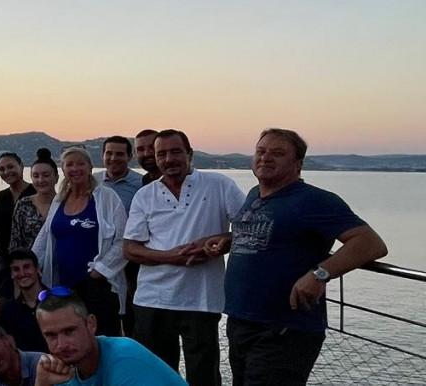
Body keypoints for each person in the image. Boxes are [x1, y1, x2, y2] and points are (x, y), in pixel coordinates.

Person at [219, 128, 387, 386]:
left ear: (298, 164)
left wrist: (319, 274)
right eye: (261, 151)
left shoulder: (314, 201)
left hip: (284, 329)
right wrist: (226, 240)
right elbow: (264, 236)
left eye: (277, 153)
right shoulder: (255, 194)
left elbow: (370, 243)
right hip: (242, 320)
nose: (265, 158)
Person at [122, 129, 243, 386]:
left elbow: (248, 229)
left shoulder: (219, 185)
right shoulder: (145, 195)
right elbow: (130, 248)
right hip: (153, 299)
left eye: (175, 151)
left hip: (200, 300)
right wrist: (170, 256)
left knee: (204, 375)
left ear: (190, 153)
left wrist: (223, 241)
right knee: (155, 377)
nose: (168, 159)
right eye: (161, 154)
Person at [30, 147, 126, 337]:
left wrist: (100, 270)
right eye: (69, 164)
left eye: (80, 163)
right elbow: (45, 236)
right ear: (63, 170)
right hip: (64, 286)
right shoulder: (59, 200)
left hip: (98, 285)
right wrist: (32, 265)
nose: (75, 169)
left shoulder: (106, 198)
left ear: (90, 167)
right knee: (72, 339)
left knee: (103, 339)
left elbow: (123, 240)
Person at [32, 291, 184, 386]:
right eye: (51, 335)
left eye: (69, 331)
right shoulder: (62, 372)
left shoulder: (124, 358)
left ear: (91, 324)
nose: (61, 344)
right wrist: (41, 383)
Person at [98, 136, 143, 336]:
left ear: (129, 157)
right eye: (109, 153)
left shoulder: (140, 184)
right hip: (99, 258)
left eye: (119, 154)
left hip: (132, 259)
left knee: (131, 314)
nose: (113, 158)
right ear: (102, 156)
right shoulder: (93, 181)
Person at [0, 152, 34, 304]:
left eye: (11, 166)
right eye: (2, 169)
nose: (7, 172)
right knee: (2, 306)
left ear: (21, 166)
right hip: (3, 261)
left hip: (32, 261)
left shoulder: (36, 193)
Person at [0, 249, 47, 354]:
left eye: (27, 267)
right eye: (16, 269)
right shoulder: (8, 309)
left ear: (37, 269)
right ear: (11, 274)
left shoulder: (56, 302)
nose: (22, 273)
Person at [7, 150, 56, 255]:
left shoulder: (65, 203)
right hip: (29, 267)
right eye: (36, 176)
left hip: (61, 266)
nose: (41, 180)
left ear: (56, 177)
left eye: (46, 175)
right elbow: (15, 241)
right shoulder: (24, 205)